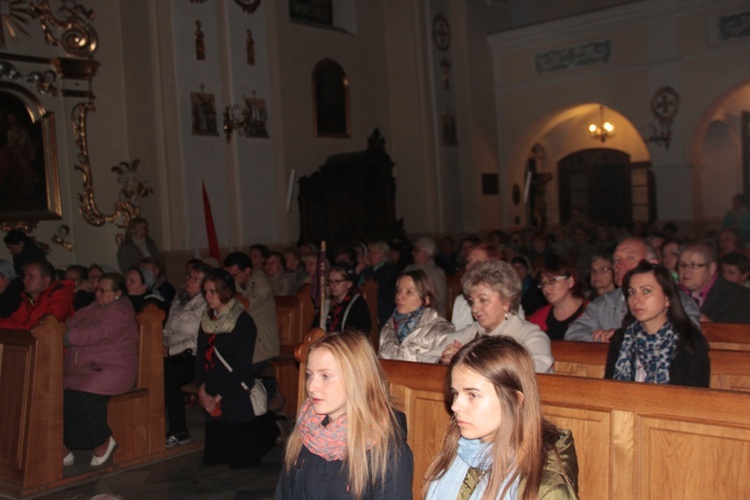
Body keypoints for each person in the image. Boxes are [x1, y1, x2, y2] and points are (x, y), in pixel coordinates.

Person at [424, 336, 578, 500]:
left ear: (515, 400)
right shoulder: (462, 451)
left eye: (473, 395)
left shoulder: (545, 488)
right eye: (456, 393)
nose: (455, 406)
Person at [276, 331, 414, 499]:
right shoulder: (306, 433)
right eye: (310, 375)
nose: (312, 386)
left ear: (357, 378)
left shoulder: (387, 452)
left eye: (325, 376)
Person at [195, 269, 279, 468]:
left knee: (242, 459)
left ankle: (271, 430)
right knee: (216, 459)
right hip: (213, 385)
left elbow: (242, 365)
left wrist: (219, 396)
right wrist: (202, 389)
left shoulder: (242, 321)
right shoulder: (207, 321)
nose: (208, 297)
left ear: (225, 292)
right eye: (205, 292)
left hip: (234, 388)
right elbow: (200, 357)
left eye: (212, 292)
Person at [62, 273, 138, 467]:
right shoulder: (93, 308)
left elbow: (97, 334)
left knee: (84, 394)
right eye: (97, 290)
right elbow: (72, 321)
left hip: (113, 369)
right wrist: (58, 329)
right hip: (88, 368)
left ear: (118, 293)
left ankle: (102, 440)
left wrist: (66, 337)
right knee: (62, 395)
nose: (98, 294)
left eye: (103, 291)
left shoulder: (121, 311)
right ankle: (66, 446)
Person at [565, 238, 701, 343]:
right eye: (616, 260)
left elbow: (687, 337)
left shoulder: (677, 300)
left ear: (652, 264)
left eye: (630, 258)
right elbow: (573, 333)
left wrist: (623, 337)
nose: (619, 265)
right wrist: (603, 340)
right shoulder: (604, 303)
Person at [605, 262, 710, 387]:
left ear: (667, 299)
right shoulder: (621, 338)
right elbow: (609, 387)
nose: (636, 300)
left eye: (646, 291)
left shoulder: (689, 342)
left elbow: (696, 398)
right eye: (631, 292)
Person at [441, 261, 554, 373]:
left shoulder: (530, 335)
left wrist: (468, 360)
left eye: (483, 300)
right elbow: (425, 357)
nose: (474, 309)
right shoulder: (472, 331)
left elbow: (532, 371)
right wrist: (445, 358)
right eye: (472, 301)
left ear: (506, 301)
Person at [163, 262, 211, 448]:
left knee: (170, 381)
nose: (189, 282)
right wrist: (163, 344)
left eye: (196, 279)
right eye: (189, 277)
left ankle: (179, 431)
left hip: (194, 356)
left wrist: (171, 350)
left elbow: (196, 340)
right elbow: (167, 329)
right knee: (151, 373)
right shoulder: (179, 299)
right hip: (172, 353)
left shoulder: (206, 304)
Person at [379, 269, 455, 363]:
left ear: (426, 299)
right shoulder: (388, 328)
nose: (399, 296)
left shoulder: (441, 330)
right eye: (399, 290)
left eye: (409, 292)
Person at [223, 252, 279, 378]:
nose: (230, 279)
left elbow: (243, 306)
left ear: (247, 271)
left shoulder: (262, 284)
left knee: (234, 379)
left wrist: (234, 295)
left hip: (262, 348)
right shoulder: (236, 283)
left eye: (234, 275)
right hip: (243, 345)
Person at [678, 240, 750, 323]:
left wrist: (712, 329)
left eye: (693, 266)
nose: (686, 271)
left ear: (712, 268)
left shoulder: (739, 297)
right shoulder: (672, 293)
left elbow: (741, 333)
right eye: (682, 265)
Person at [0, 258, 75, 329]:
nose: (25, 280)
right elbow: (15, 320)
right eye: (25, 276)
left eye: (31, 276)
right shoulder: (29, 300)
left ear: (46, 280)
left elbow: (40, 327)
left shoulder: (60, 300)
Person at [529, 262, 587, 340]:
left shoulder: (594, 312)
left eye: (552, 280)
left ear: (570, 282)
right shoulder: (538, 317)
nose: (545, 287)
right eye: (542, 283)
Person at [451, 243, 499, 330]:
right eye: (470, 261)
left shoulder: (503, 298)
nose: (471, 266)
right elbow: (457, 334)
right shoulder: (461, 300)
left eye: (479, 262)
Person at [314, 263, 371, 334]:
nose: (333, 286)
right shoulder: (326, 305)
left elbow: (363, 331)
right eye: (330, 282)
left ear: (349, 284)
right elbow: (315, 328)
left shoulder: (358, 303)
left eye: (337, 281)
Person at [405, 237, 447, 318]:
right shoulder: (409, 269)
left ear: (425, 253)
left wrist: (421, 304)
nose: (413, 253)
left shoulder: (436, 272)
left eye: (416, 250)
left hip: (431, 314)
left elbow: (440, 297)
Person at [362, 241, 399, 328]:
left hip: (382, 312)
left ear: (383, 255)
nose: (371, 255)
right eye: (370, 252)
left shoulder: (390, 271)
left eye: (375, 252)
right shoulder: (368, 270)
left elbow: (378, 289)